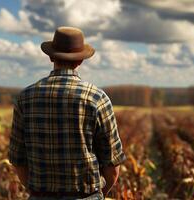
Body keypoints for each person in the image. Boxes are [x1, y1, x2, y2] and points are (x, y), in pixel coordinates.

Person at [8, 26, 126, 200]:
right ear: (80, 61)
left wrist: (38, 193)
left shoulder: (25, 97)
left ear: (50, 57)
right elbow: (112, 165)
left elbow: (18, 160)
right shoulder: (97, 98)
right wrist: (98, 194)